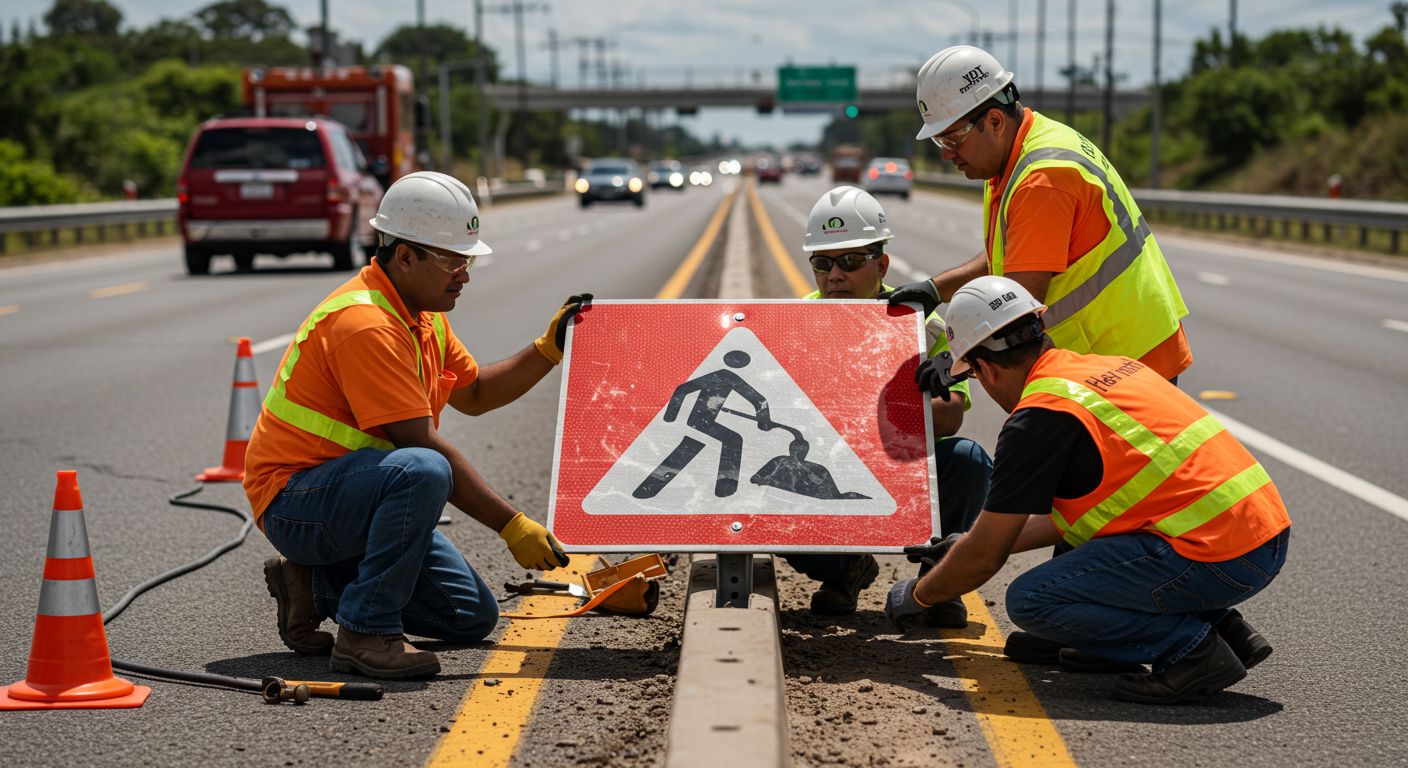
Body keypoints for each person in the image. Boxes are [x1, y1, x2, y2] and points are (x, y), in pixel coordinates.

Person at [244, 171, 588, 679]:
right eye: (453, 260)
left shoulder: (421, 315)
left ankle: (312, 587)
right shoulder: (364, 324)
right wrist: (511, 524)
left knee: (470, 617)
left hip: (357, 497)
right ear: (405, 256)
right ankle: (365, 633)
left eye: (467, 260)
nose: (465, 274)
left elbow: (475, 394)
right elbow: (418, 444)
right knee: (423, 469)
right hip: (297, 503)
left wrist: (547, 351)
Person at [885, 276, 1291, 704]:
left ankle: (1193, 650)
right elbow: (1086, 514)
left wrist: (918, 595)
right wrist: (961, 544)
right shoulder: (1105, 368)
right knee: (1085, 551)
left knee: (1034, 602)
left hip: (1220, 556)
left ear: (985, 368)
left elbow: (988, 553)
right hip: (1261, 536)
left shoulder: (1039, 417)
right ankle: (1224, 627)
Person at [886, 45, 1193, 383]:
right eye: (940, 143)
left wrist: (956, 360)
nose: (948, 155)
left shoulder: (1040, 179)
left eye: (953, 140)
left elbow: (1015, 307)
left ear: (994, 121)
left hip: (1126, 362)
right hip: (1111, 357)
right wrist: (935, 289)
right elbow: (1014, 257)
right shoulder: (1011, 157)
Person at [784, 185, 993, 625]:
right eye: (822, 263)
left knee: (969, 460)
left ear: (881, 265)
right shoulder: (796, 320)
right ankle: (846, 570)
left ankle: (938, 582)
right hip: (826, 461)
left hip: (900, 461)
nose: (835, 275)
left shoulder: (923, 323)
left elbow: (952, 415)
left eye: (851, 262)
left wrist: (890, 402)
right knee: (766, 484)